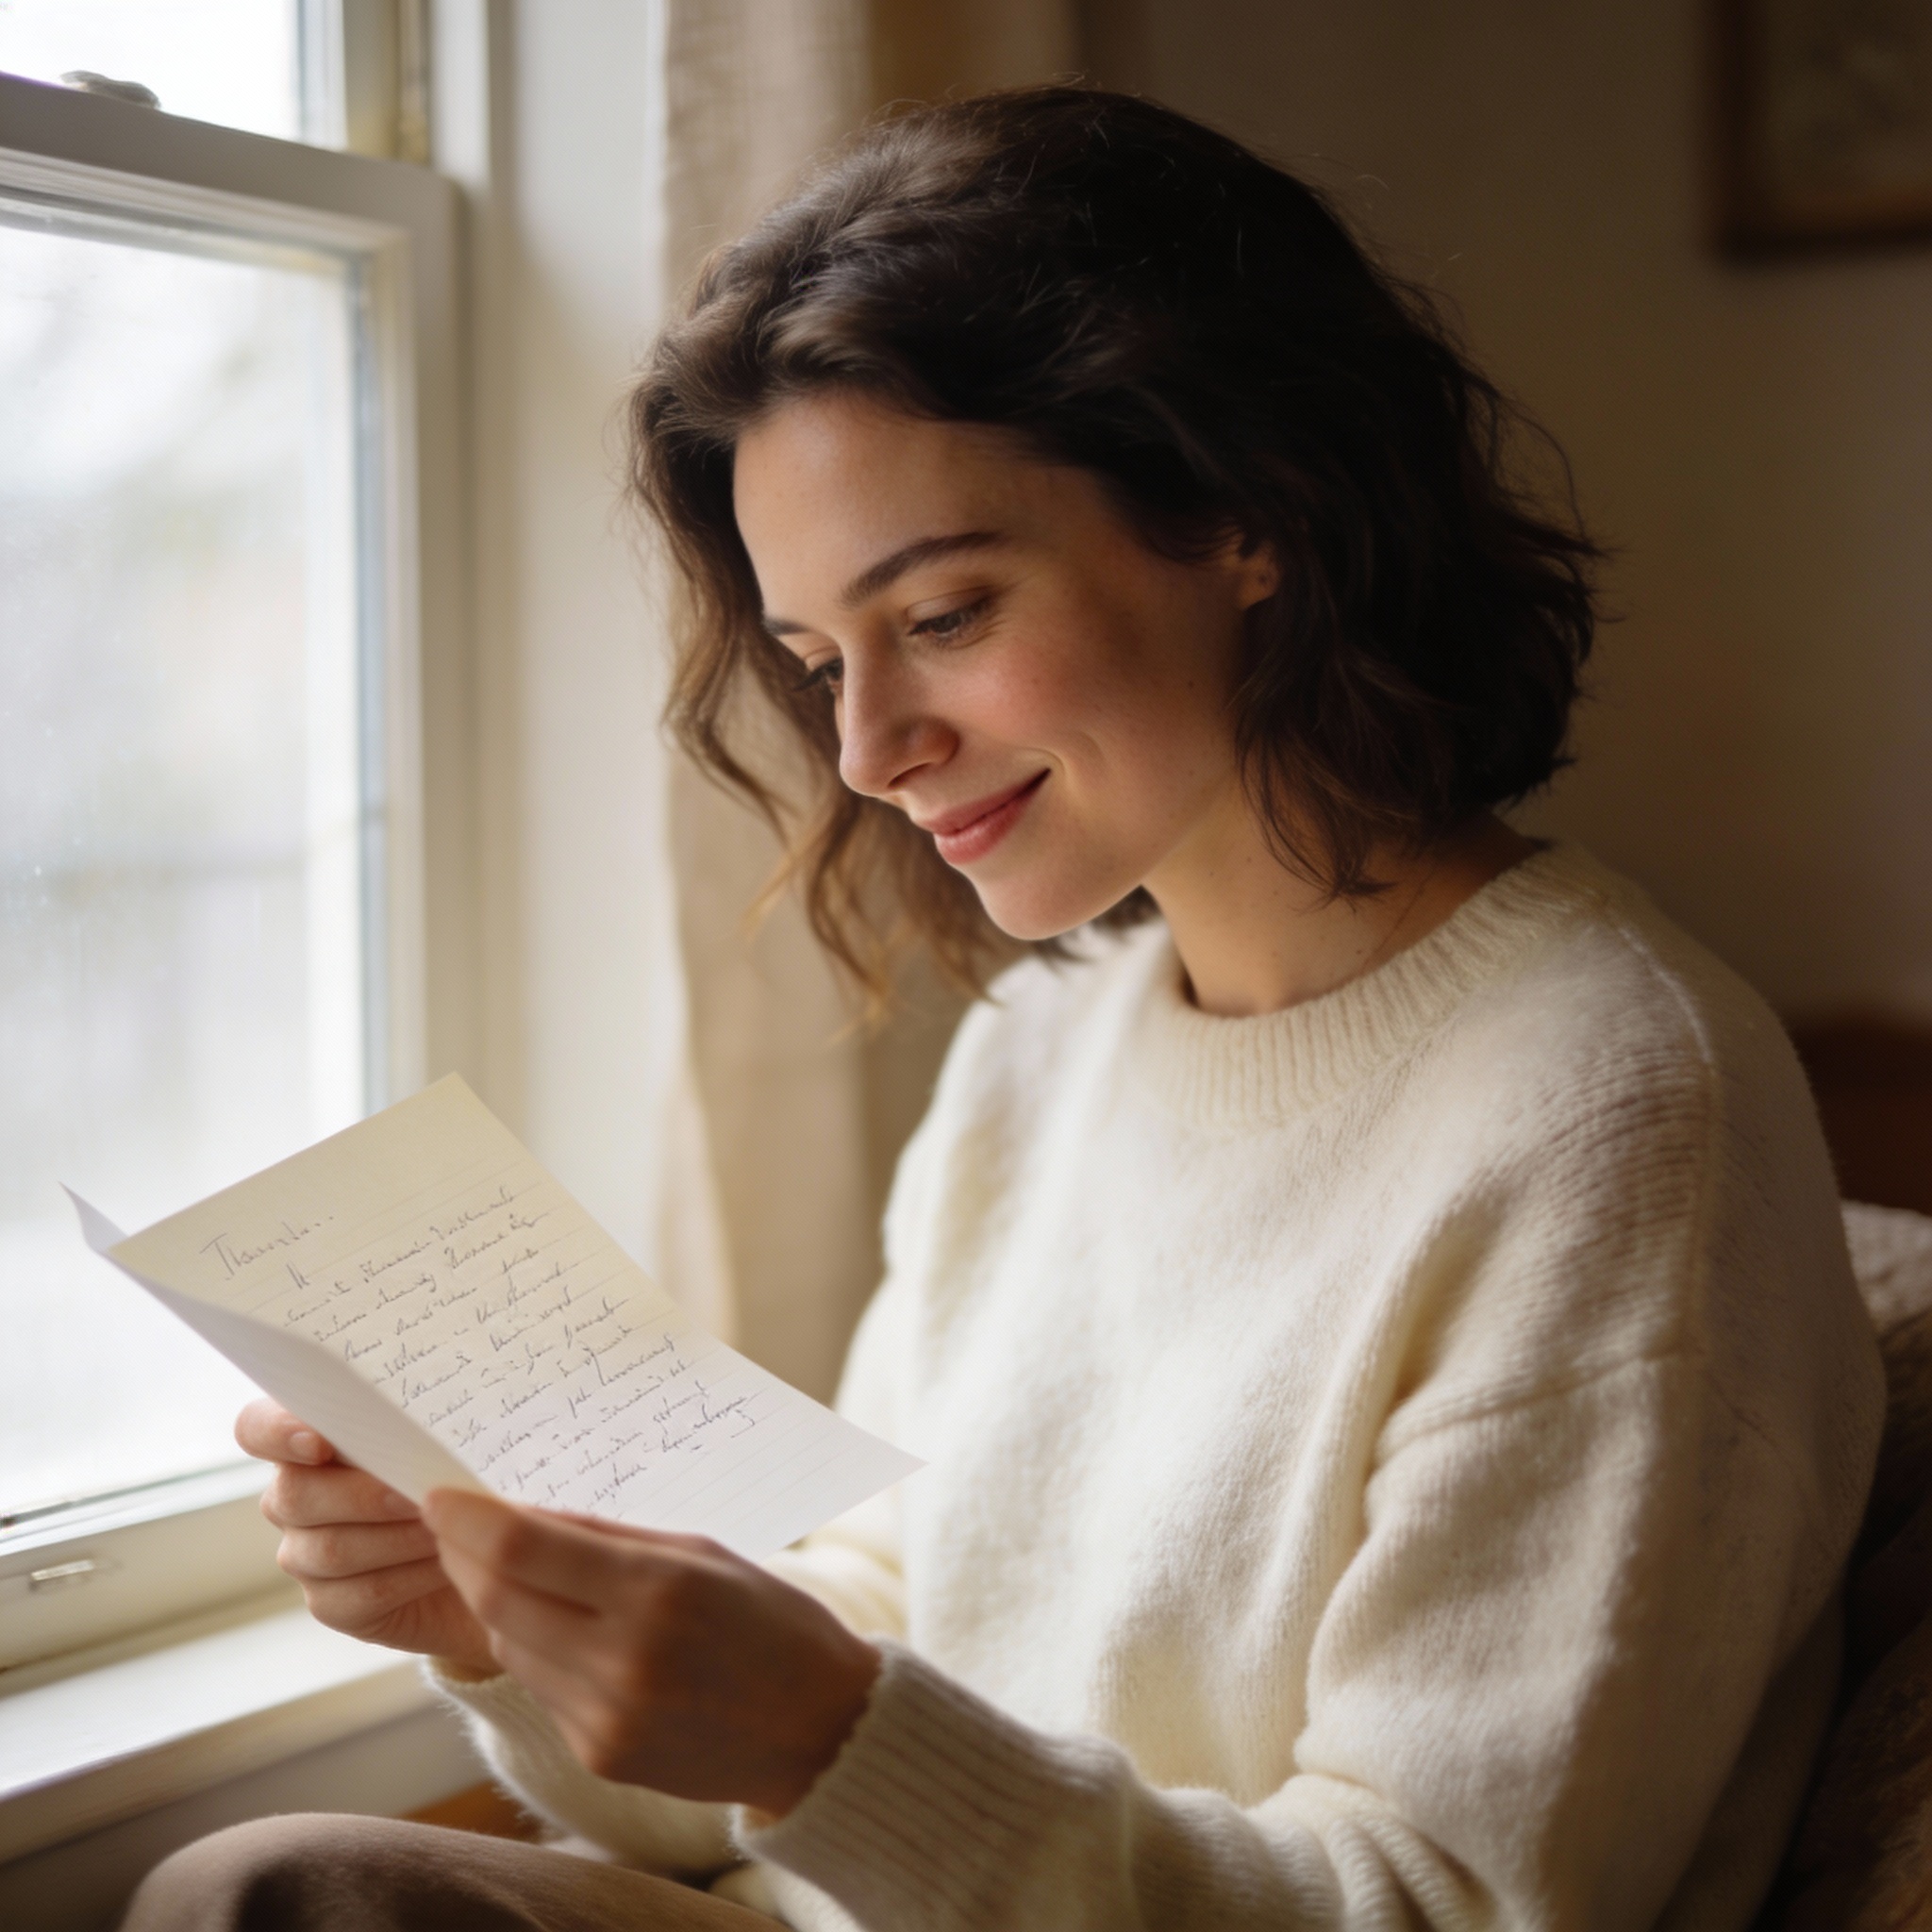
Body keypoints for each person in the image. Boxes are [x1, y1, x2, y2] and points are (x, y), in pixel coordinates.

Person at [125, 87, 1883, 1932]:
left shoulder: (1614, 1106)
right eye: (818, 662)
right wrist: (516, 1623)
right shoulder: (1047, 1048)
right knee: (276, 1887)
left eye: (944, 612)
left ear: (1246, 513)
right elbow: (887, 1632)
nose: (870, 750)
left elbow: (1432, 1899)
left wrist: (827, 1740)